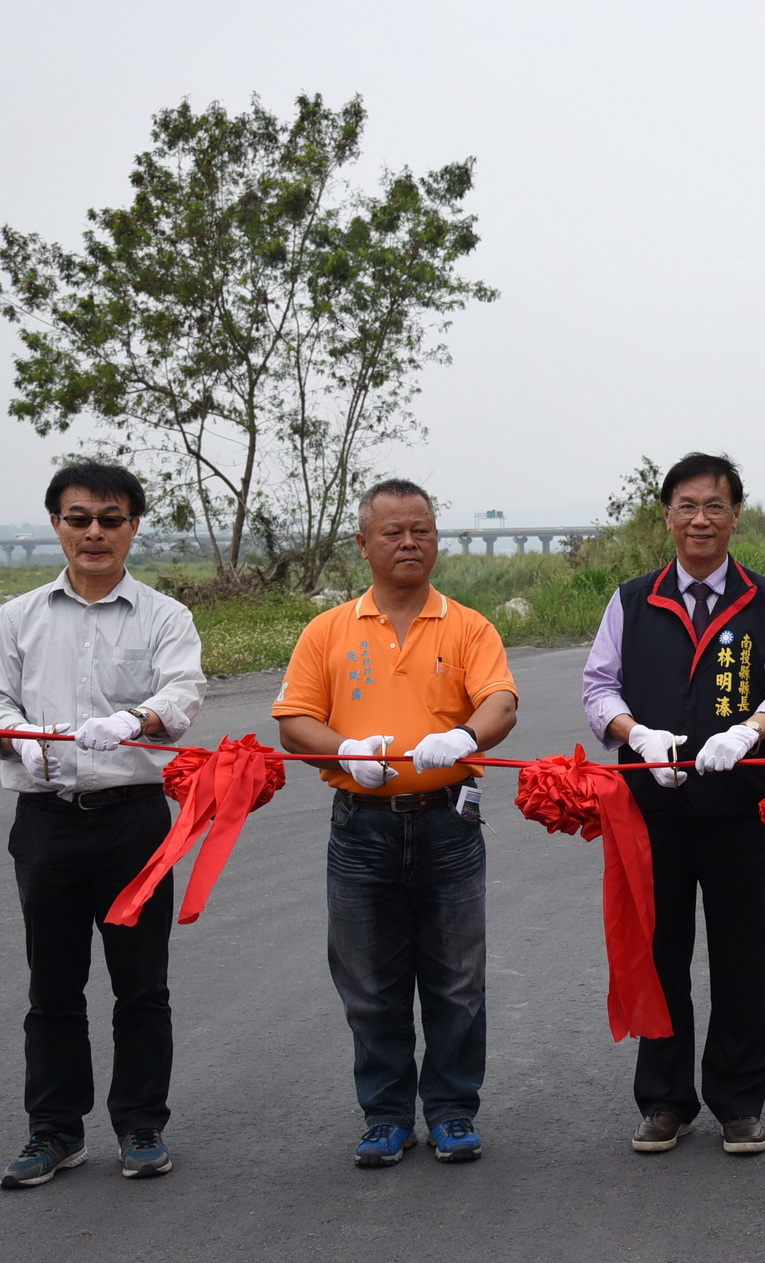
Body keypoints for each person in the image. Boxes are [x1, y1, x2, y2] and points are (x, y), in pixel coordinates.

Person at [0, 462, 205, 1189]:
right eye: (79, 519)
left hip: (134, 821)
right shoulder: (18, 617)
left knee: (142, 985)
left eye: (110, 519)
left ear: (133, 527)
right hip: (47, 823)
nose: (94, 532)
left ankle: (140, 1125)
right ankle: (54, 1131)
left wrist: (136, 719)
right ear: (56, 525)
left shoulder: (164, 615)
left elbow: (184, 690)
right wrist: (17, 734)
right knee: (53, 986)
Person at [273, 480, 519, 1168]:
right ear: (363, 543)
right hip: (361, 828)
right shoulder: (329, 630)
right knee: (368, 981)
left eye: (422, 530)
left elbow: (501, 702)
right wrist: (345, 750)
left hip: (449, 825)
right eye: (393, 532)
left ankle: (451, 1110)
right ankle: (385, 1115)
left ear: (436, 539)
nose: (410, 542)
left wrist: (466, 736)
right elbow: (294, 721)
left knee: (457, 978)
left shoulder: (468, 626)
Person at [582, 453, 765, 1157]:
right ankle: (665, 1100)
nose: (700, 519)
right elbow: (598, 688)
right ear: (667, 515)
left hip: (737, 806)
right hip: (650, 811)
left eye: (714, 505)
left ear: (736, 514)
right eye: (687, 505)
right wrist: (636, 735)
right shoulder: (632, 600)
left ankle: (738, 1101)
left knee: (741, 952)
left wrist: (749, 731)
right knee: (659, 949)